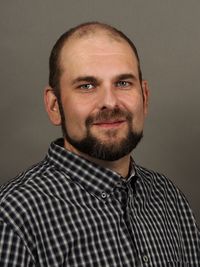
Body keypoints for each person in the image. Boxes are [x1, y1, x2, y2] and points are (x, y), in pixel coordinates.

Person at [0, 21, 199, 266]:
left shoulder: (169, 198)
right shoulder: (14, 217)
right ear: (54, 106)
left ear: (144, 98)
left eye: (123, 83)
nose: (110, 102)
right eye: (87, 86)